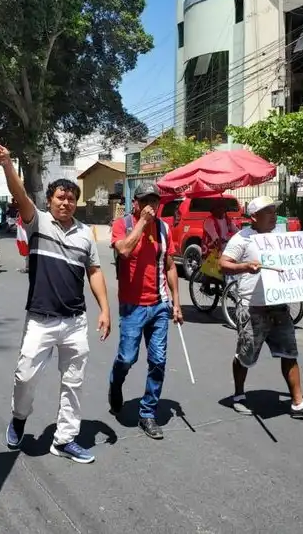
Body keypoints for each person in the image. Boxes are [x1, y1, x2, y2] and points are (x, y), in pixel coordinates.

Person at [0, 141, 111, 464]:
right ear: (50, 200)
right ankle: (19, 419)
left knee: (73, 382)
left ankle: (65, 439)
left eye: (72, 198)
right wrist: (6, 164)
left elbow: (95, 271)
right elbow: (20, 197)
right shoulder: (38, 222)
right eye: (61, 197)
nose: (66, 202)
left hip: (75, 321)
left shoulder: (86, 235)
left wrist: (105, 309)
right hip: (41, 319)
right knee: (25, 376)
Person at [219, 196, 303, 420]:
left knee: (289, 353)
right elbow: (224, 264)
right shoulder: (242, 239)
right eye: (267, 212)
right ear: (253, 217)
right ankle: (239, 395)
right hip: (253, 307)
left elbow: (297, 258)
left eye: (273, 211)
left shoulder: (279, 238)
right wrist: (245, 267)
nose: (272, 215)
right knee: (246, 355)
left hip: (278, 306)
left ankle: (298, 403)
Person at [108, 182, 184, 439]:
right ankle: (115, 382)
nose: (152, 206)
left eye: (155, 201)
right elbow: (125, 250)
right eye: (146, 201)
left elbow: (170, 266)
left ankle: (147, 413)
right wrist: (141, 223)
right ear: (136, 203)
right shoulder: (123, 225)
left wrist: (176, 302)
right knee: (127, 358)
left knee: (159, 360)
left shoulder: (164, 228)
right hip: (132, 306)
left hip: (159, 304)